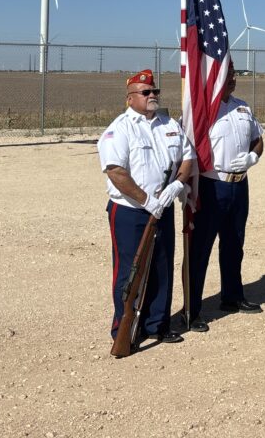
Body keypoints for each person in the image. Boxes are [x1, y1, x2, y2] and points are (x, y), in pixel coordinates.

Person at [99, 69, 194, 345]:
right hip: (131, 212)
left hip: (162, 208)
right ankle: (125, 330)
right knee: (130, 270)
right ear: (130, 99)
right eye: (146, 92)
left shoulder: (169, 124)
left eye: (155, 92)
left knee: (162, 267)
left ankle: (157, 324)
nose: (153, 96)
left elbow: (188, 157)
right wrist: (147, 200)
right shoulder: (119, 129)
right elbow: (116, 172)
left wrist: (177, 185)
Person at [186, 63, 265, 332]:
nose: (231, 81)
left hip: (239, 184)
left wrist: (253, 156)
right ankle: (191, 309)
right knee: (201, 249)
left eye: (233, 76)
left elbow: (258, 138)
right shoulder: (202, 111)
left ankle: (232, 296)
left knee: (234, 244)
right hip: (212, 185)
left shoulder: (242, 107)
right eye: (226, 76)